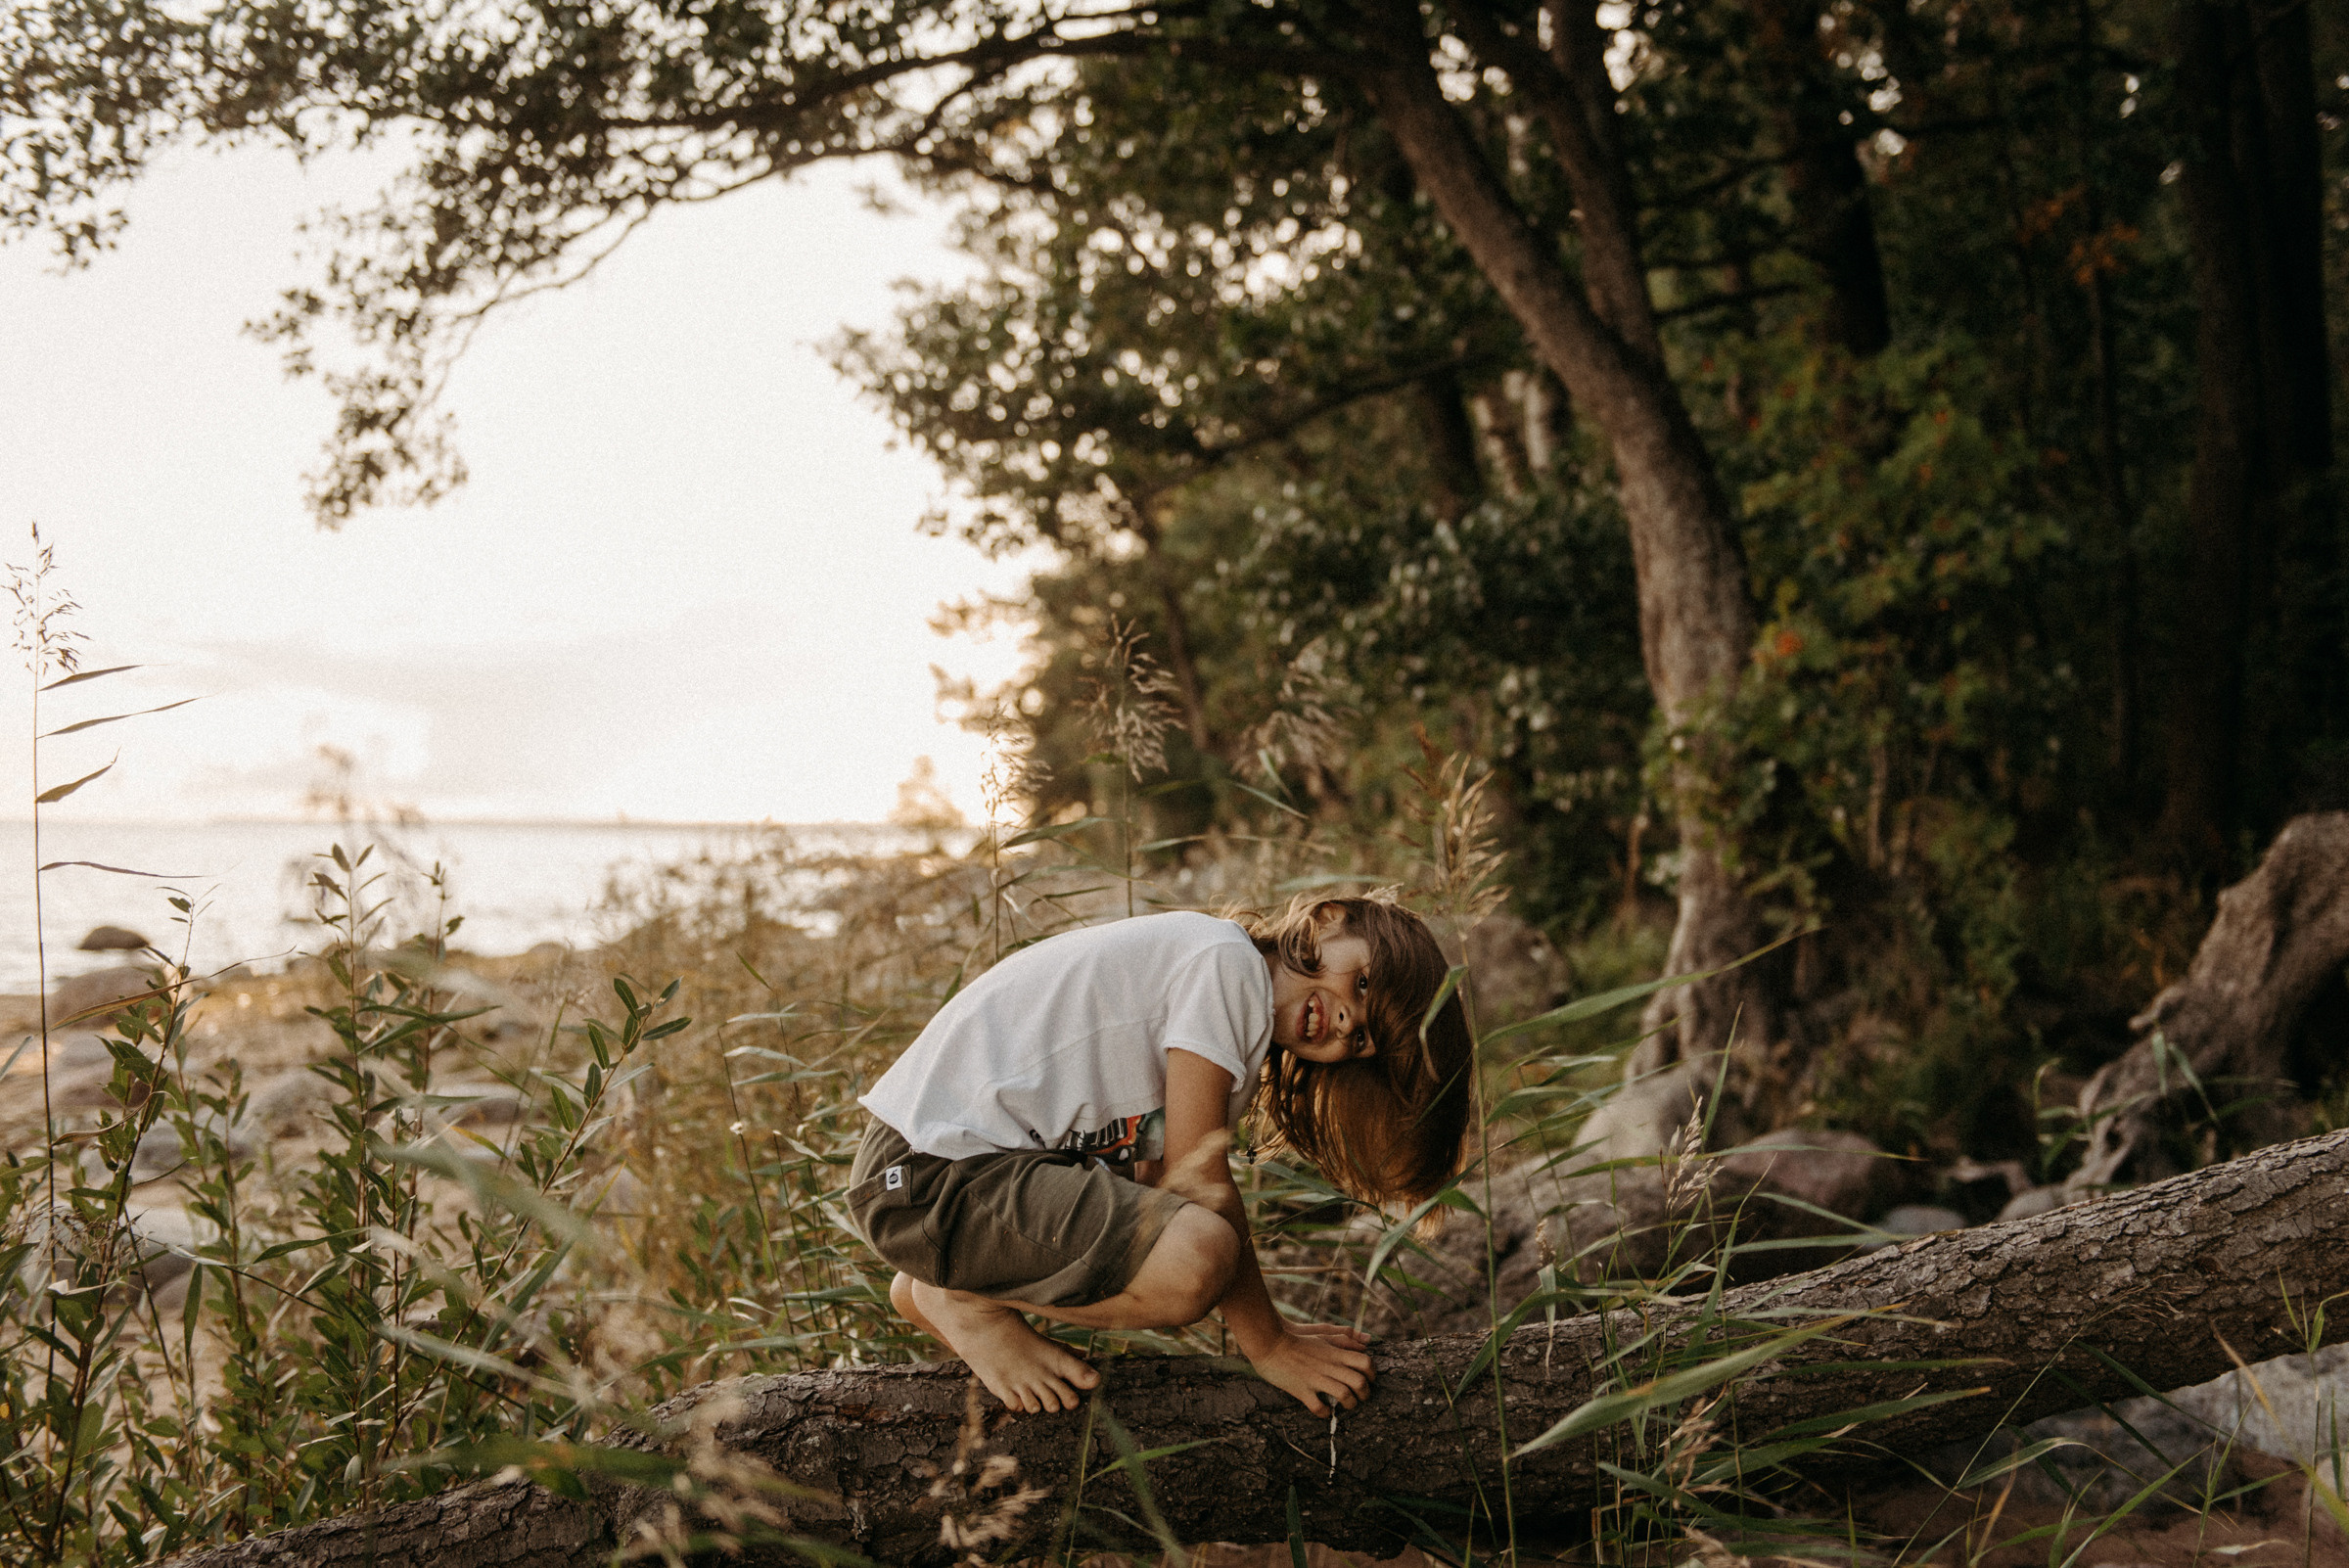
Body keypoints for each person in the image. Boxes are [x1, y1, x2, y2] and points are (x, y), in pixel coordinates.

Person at [846, 896, 1474, 1416]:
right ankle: (967, 1301)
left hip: (950, 1182)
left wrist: (1270, 1330)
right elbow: (1193, 1182)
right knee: (1196, 1260)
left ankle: (941, 1286)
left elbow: (1150, 1181)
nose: (1344, 1020)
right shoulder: (1227, 966)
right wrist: (1272, 1344)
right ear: (1327, 920)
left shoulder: (1231, 1006)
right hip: (926, 1174)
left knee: (1182, 1254)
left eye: (1362, 1036)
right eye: (1360, 983)